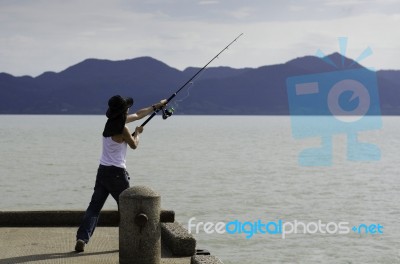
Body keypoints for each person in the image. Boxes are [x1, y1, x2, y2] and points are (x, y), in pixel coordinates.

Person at [75, 95, 167, 252]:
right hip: (117, 173)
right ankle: (131, 242)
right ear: (123, 110)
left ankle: (82, 238)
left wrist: (157, 106)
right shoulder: (124, 128)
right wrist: (138, 133)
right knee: (127, 208)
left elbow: (139, 114)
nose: (129, 109)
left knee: (94, 208)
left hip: (102, 171)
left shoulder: (110, 124)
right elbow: (134, 145)